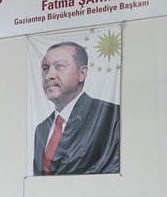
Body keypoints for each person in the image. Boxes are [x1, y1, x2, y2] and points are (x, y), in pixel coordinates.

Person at [32, 41, 120, 176]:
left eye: (59, 66)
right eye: (45, 68)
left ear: (82, 73)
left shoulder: (108, 116)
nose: (49, 75)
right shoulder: (41, 129)